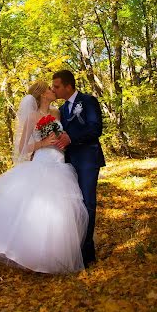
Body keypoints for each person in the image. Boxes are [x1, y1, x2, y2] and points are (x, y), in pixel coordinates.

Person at [0, 80, 89, 274]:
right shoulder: (32, 117)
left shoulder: (57, 113)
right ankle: (29, 253)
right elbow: (22, 149)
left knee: (59, 209)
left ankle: (54, 255)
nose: (52, 90)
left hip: (60, 162)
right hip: (42, 161)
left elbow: (65, 134)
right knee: (36, 208)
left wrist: (62, 138)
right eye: (49, 89)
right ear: (42, 94)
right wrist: (43, 143)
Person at [51, 70, 105, 267]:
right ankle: (73, 249)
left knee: (88, 203)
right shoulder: (62, 109)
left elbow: (95, 128)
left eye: (57, 86)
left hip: (88, 159)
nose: (54, 90)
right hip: (69, 162)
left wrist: (72, 138)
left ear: (68, 86)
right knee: (73, 205)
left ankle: (87, 252)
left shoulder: (88, 101)